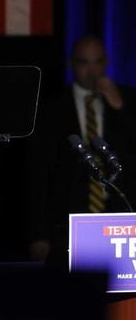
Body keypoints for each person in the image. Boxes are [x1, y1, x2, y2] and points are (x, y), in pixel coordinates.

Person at [28, 35, 136, 264]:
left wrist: (120, 108)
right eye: (83, 62)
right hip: (69, 218)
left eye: (97, 62)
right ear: (71, 64)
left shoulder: (126, 99)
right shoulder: (53, 106)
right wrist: (39, 233)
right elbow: (38, 172)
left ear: (106, 63)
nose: (91, 71)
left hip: (118, 218)